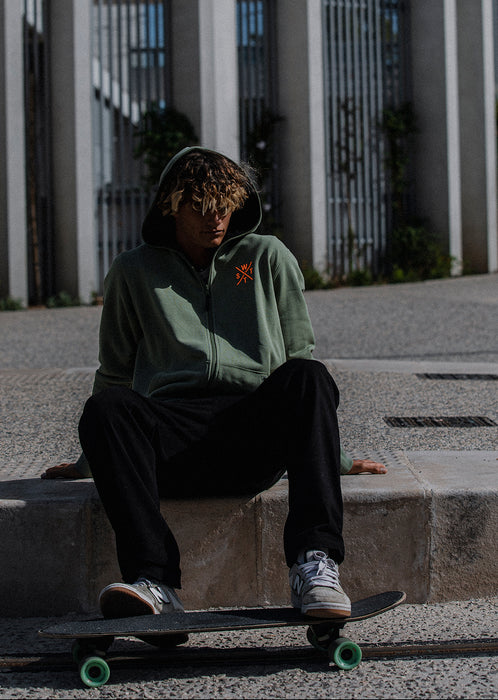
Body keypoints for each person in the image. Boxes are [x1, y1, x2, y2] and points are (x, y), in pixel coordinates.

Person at [42, 147, 386, 623]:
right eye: (201, 207)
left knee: (309, 376)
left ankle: (314, 564)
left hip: (251, 435)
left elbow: (298, 356)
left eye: (224, 206)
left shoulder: (266, 256)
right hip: (172, 441)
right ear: (171, 206)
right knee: (107, 408)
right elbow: (114, 373)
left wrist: (337, 459)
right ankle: (154, 582)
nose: (216, 219)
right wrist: (88, 461)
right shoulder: (133, 271)